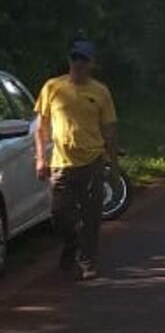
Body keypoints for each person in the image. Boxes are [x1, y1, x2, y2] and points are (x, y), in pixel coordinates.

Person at [34, 40, 118, 281]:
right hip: (61, 163)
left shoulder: (100, 92)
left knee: (91, 218)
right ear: (70, 60)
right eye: (75, 59)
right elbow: (40, 127)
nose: (78, 64)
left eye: (83, 59)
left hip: (92, 161)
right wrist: (40, 158)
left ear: (91, 63)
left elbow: (110, 130)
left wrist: (113, 164)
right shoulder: (53, 87)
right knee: (59, 214)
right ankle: (71, 243)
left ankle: (88, 262)